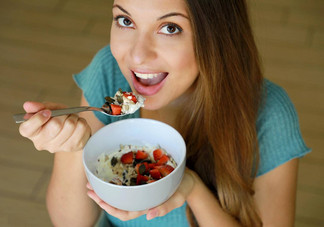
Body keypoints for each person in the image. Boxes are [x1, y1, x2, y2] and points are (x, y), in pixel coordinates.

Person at [18, 0, 311, 226]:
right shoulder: (109, 72)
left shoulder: (270, 114)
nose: (137, 56)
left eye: (170, 28)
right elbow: (70, 222)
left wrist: (192, 189)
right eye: (125, 20)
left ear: (218, 38)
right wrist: (72, 144)